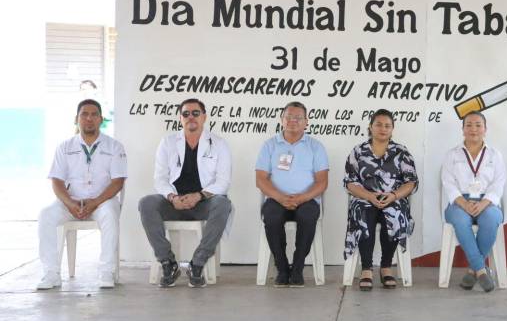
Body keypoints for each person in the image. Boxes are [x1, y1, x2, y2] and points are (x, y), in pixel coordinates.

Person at [138, 98, 232, 288]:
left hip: (203, 202)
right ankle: (167, 262)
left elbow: (223, 182)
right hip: (174, 202)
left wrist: (199, 195)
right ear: (180, 118)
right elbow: (160, 179)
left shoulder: (219, 143)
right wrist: (172, 197)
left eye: (195, 113)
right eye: (186, 114)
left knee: (223, 204)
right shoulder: (168, 142)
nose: (191, 117)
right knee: (146, 202)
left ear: (204, 117)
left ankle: (197, 263)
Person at [37, 99, 127, 290]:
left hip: (102, 201)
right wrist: (69, 203)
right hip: (71, 203)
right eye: (84, 114)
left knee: (111, 214)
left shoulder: (114, 147)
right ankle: (51, 273)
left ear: (101, 119)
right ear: (76, 119)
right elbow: (57, 181)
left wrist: (95, 202)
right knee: (45, 215)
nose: (89, 119)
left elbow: (118, 182)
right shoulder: (64, 147)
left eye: (94, 115)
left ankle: (106, 271)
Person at [343, 109, 418, 290]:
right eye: (378, 124)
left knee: (394, 211)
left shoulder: (401, 152)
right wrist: (369, 196)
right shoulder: (358, 151)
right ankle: (366, 268)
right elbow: (349, 182)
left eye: (387, 125)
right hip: (365, 198)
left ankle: (386, 267)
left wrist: (393, 195)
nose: (383, 129)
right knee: (362, 210)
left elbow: (411, 183)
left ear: (392, 129)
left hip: (393, 197)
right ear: (370, 126)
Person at [255, 101, 329, 287]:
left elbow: (322, 182)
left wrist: (302, 198)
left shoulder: (316, 147)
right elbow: (261, 179)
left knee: (307, 216)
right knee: (271, 217)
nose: (293, 121)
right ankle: (281, 268)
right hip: (276, 199)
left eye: (298, 118)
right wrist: (280, 197)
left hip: (306, 199)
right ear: (282, 120)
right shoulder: (270, 145)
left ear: (306, 122)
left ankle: (297, 268)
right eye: (288, 117)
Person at [441, 111, 506, 293]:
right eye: (468, 125)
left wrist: (484, 203)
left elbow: (498, 184)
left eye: (478, 125)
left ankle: (473, 270)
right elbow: (448, 183)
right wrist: (464, 203)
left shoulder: (495, 155)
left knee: (491, 218)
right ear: (462, 130)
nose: (473, 129)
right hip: (459, 203)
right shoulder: (452, 155)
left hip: (487, 202)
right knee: (461, 221)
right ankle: (481, 270)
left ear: (485, 129)